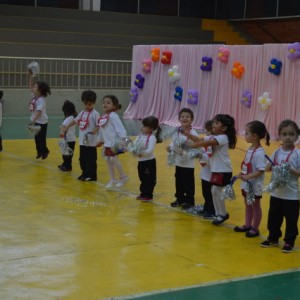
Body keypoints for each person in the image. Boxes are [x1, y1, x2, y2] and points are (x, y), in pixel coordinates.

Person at [186, 114, 237, 225]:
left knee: (216, 191)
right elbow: (199, 139)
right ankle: (220, 214)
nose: (213, 124)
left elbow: (207, 143)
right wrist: (187, 134)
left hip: (224, 170)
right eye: (214, 122)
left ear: (224, 128)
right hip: (216, 170)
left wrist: (194, 145)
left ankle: (222, 214)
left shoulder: (223, 137)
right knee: (214, 191)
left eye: (217, 123)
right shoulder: (213, 137)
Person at [260, 119, 300, 253]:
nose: (288, 137)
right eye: (284, 134)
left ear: (296, 136)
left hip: (291, 195)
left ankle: (289, 241)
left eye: (291, 134)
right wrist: (269, 165)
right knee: (274, 217)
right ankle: (273, 238)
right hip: (276, 193)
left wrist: (290, 169)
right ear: (279, 135)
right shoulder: (277, 151)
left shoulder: (297, 154)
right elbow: (267, 168)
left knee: (291, 220)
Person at [234, 121, 270, 238]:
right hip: (247, 183)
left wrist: (248, 176)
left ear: (254, 136)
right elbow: (247, 165)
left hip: (254, 185)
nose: (244, 135)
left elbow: (260, 170)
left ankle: (255, 228)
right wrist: (242, 173)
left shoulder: (259, 153)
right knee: (247, 204)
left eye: (247, 133)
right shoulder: (250, 149)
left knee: (255, 206)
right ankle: (248, 224)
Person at [63, 90, 99, 181]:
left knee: (90, 159)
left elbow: (99, 124)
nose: (88, 106)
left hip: (91, 143)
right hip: (82, 141)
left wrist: (96, 129)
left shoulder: (95, 114)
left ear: (94, 103)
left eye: (90, 104)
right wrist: (67, 126)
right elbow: (75, 120)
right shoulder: (82, 113)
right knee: (82, 159)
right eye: (86, 104)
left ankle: (92, 175)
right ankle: (84, 173)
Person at [168, 108, 198, 210]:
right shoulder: (177, 131)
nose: (184, 118)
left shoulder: (193, 133)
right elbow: (173, 142)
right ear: (179, 118)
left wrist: (184, 152)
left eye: (187, 117)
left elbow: (195, 147)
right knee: (179, 182)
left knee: (188, 183)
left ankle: (190, 201)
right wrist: (171, 148)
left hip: (188, 163)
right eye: (182, 116)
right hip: (178, 162)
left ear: (192, 119)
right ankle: (180, 199)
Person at [98, 95, 128, 188]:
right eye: (103, 102)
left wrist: (124, 140)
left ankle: (124, 177)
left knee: (113, 159)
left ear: (114, 106)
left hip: (115, 143)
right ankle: (112, 179)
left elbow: (120, 129)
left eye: (108, 102)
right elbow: (101, 130)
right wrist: (100, 139)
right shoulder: (103, 117)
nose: (105, 104)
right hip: (107, 144)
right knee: (108, 160)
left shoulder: (113, 116)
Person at [134, 116, 162, 201]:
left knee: (149, 178)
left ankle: (148, 195)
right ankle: (143, 193)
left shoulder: (152, 137)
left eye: (144, 126)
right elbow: (134, 144)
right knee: (142, 177)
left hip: (149, 162)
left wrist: (141, 153)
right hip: (141, 161)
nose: (142, 127)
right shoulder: (140, 136)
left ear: (151, 128)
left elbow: (150, 150)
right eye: (143, 125)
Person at [28, 71, 51, 159]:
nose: (33, 88)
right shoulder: (35, 96)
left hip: (42, 122)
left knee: (41, 138)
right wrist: (31, 76)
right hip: (36, 120)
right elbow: (30, 87)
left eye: (35, 87)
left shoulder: (41, 100)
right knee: (36, 138)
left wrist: (32, 121)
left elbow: (39, 112)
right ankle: (39, 152)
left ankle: (45, 151)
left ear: (40, 90)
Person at [197, 119, 216, 219]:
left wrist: (200, 156)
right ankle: (206, 208)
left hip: (211, 173)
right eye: (206, 130)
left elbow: (211, 159)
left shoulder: (214, 143)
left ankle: (212, 210)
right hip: (204, 172)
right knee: (205, 192)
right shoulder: (205, 142)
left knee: (210, 193)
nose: (206, 133)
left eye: (208, 131)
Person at [58, 100, 77, 172]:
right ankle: (65, 164)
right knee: (65, 153)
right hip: (68, 139)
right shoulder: (71, 117)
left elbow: (63, 126)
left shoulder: (70, 117)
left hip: (69, 139)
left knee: (67, 154)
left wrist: (62, 133)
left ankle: (67, 166)